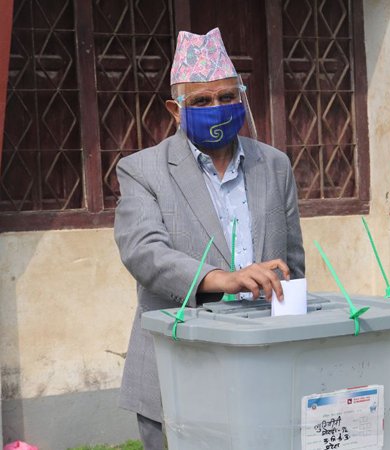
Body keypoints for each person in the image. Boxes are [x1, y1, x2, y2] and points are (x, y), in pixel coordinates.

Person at [113, 28, 306, 449]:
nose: (216, 108)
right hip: (179, 369)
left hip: (264, 368)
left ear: (241, 97)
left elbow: (292, 263)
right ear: (176, 110)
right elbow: (143, 252)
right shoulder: (143, 171)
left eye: (226, 97)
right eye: (201, 101)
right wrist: (224, 278)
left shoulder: (274, 166)